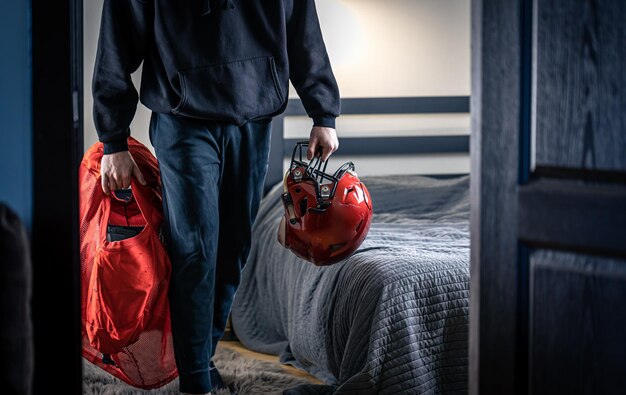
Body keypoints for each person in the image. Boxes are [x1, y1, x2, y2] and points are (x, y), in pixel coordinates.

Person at [92, 1, 340, 394]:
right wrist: (113, 138)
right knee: (195, 249)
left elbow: (302, 28)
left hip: (255, 114)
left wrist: (323, 112)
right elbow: (117, 41)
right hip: (183, 120)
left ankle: (199, 358)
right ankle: (195, 380)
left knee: (234, 248)